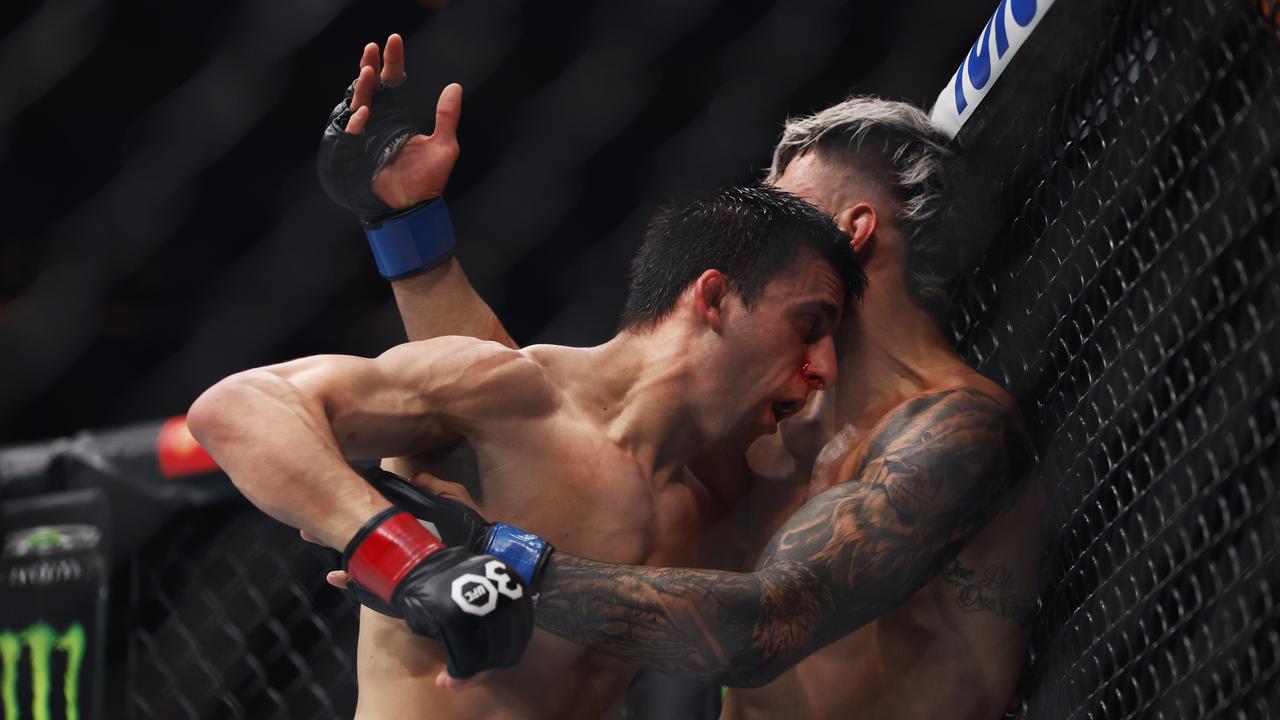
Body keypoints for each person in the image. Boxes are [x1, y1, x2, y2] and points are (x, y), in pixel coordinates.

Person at [323, 34, 1043, 720]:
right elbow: (530, 420)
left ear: (853, 231)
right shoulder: (778, 441)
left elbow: (765, 624)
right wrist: (408, 230)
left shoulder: (953, 428)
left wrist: (488, 557)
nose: (754, 226)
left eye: (782, 204)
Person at [189, 168, 865, 717]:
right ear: (713, 298)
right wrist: (403, 555)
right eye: (807, 326)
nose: (821, 367)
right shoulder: (508, 395)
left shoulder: (708, 505)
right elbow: (238, 407)